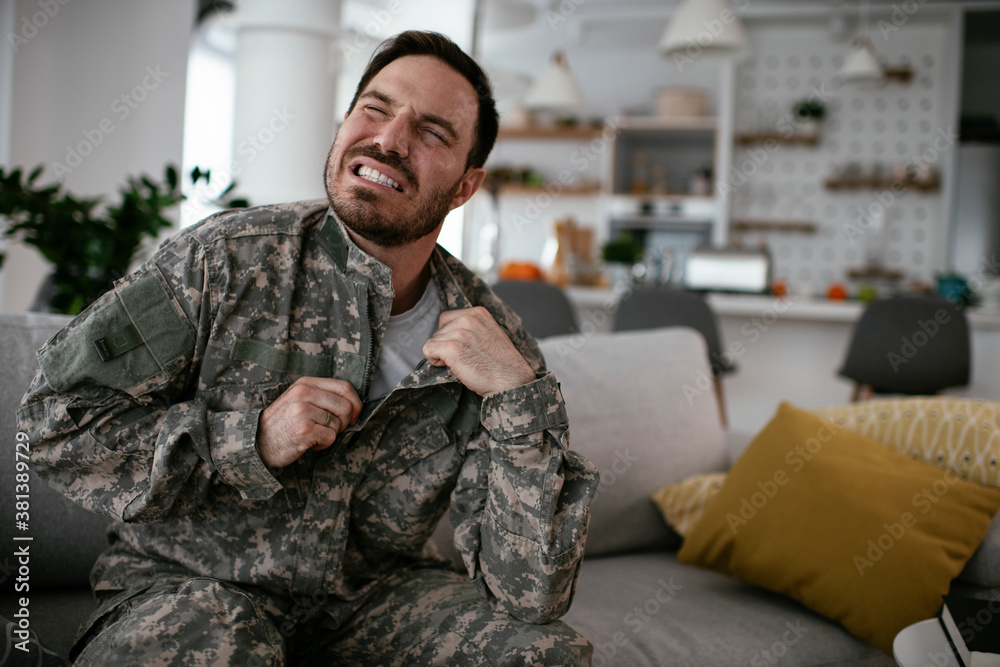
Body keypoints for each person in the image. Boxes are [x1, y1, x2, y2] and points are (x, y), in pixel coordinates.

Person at [18, 30, 598, 666]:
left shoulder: (496, 345)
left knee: (543, 654)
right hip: (192, 589)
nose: (389, 140)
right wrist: (249, 439)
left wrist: (522, 404)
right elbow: (55, 422)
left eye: (432, 132)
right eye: (374, 109)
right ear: (345, 123)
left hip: (372, 604)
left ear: (465, 186)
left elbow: (529, 596)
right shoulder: (222, 261)